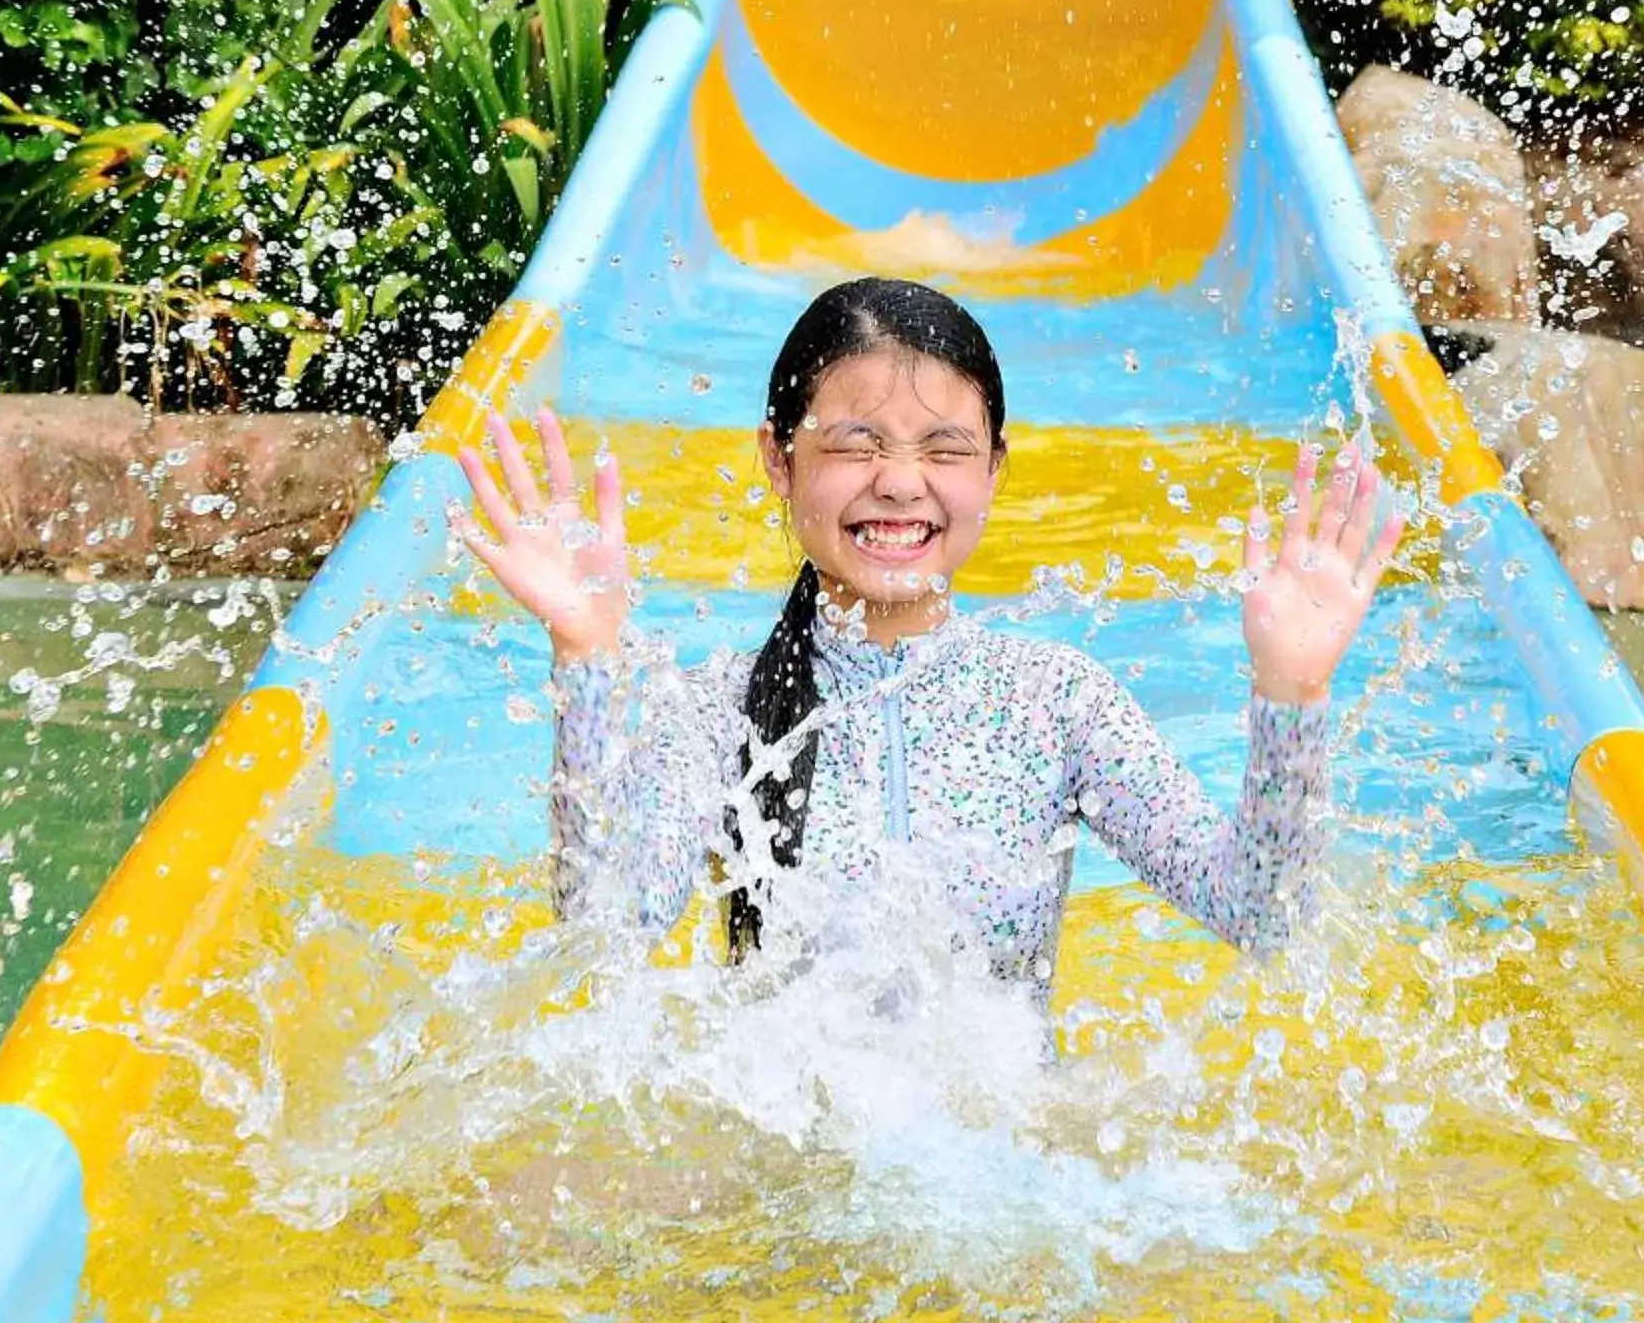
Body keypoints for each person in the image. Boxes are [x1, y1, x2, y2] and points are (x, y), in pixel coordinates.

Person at [446, 277, 1403, 999]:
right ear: (778, 460)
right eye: (856, 444)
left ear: (993, 468)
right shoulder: (714, 712)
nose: (901, 484)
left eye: (944, 449)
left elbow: (1264, 919)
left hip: (999, 1179)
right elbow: (600, 941)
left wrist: (1292, 696)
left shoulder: (1055, 702)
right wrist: (587, 659)